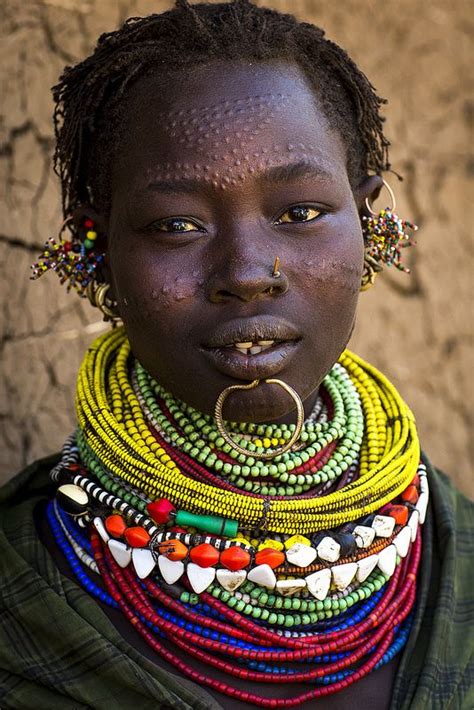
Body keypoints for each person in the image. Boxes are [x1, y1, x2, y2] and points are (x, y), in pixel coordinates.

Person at [0, 2, 472, 708]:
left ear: (371, 223)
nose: (248, 272)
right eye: (177, 225)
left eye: (300, 213)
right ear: (97, 257)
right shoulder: (22, 600)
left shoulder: (453, 552)